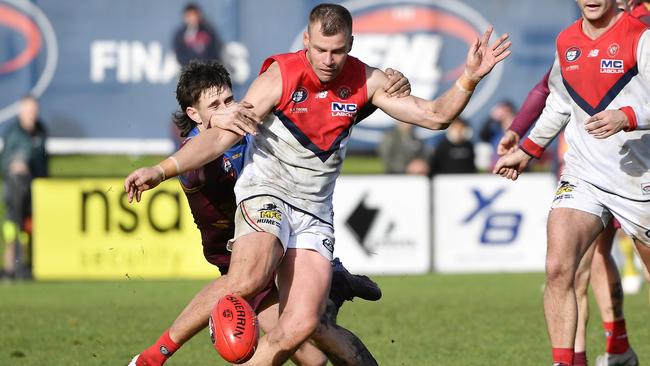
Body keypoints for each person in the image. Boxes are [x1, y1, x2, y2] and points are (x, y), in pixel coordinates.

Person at [126, 4, 511, 364]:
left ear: (351, 46)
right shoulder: (279, 76)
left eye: (338, 51)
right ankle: (152, 357)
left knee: (303, 326)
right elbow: (219, 137)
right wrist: (160, 170)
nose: (328, 60)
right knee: (248, 278)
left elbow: (435, 116)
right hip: (267, 192)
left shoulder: (367, 80)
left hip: (313, 212)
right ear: (306, 42)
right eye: (321, 49)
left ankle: (335, 280)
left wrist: (469, 77)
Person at [129, 60, 410, 366]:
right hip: (242, 258)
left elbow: (323, 116)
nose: (226, 108)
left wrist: (378, 92)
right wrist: (159, 170)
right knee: (313, 357)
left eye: (229, 100)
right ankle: (336, 282)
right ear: (194, 114)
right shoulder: (193, 156)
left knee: (307, 325)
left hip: (280, 245)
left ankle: (151, 358)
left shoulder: (253, 129)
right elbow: (205, 153)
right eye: (214, 105)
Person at [493, 1, 650, 365]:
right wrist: (528, 149)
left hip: (637, 179)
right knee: (559, 268)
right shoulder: (566, 41)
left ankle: (620, 349)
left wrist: (626, 116)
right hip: (584, 174)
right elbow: (559, 103)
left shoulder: (640, 37)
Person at [1, 95, 48, 281]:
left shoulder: (41, 131)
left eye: (34, 110)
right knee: (13, 226)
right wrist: (15, 165)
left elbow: (43, 160)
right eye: (28, 110)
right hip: (15, 187)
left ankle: (27, 266)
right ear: (21, 111)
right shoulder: (13, 133)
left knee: (29, 228)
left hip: (34, 187)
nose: (32, 114)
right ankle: (10, 268)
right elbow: (4, 160)